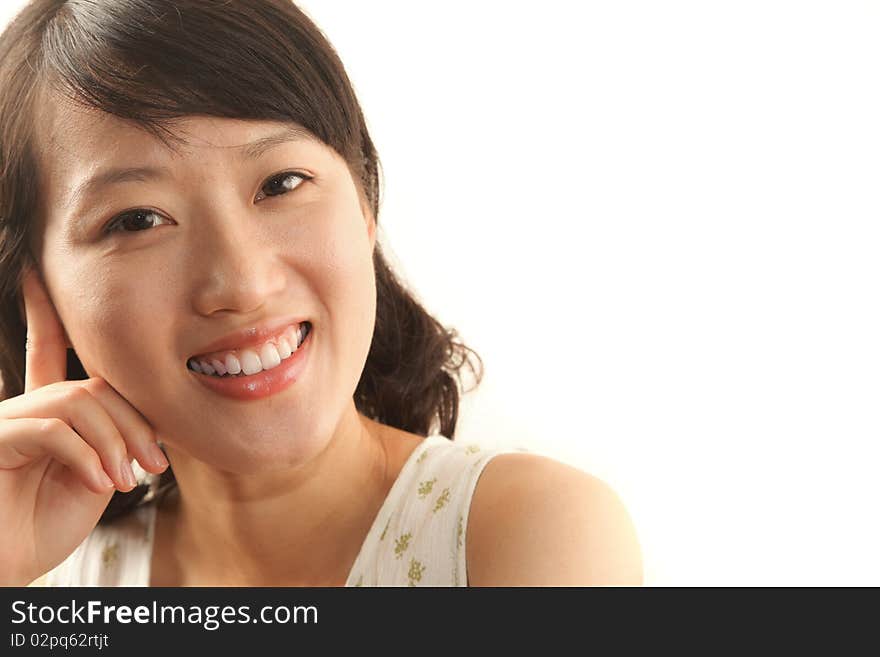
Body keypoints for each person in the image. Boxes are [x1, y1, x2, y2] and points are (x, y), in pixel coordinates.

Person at [0, 0, 643, 587]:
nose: (244, 286)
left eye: (280, 183)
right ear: (42, 292)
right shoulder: (52, 579)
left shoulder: (525, 535)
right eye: (138, 220)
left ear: (365, 204)